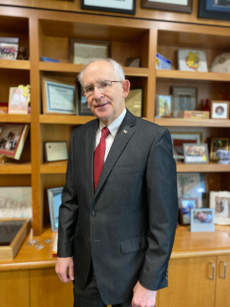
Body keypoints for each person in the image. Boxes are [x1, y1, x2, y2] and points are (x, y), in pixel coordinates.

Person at [55, 58, 178, 307]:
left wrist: (149, 283)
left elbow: (164, 220)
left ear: (124, 88)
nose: (96, 94)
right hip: (85, 269)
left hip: (131, 275)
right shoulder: (79, 136)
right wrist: (64, 251)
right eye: (89, 88)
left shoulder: (153, 138)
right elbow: (70, 201)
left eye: (104, 84)